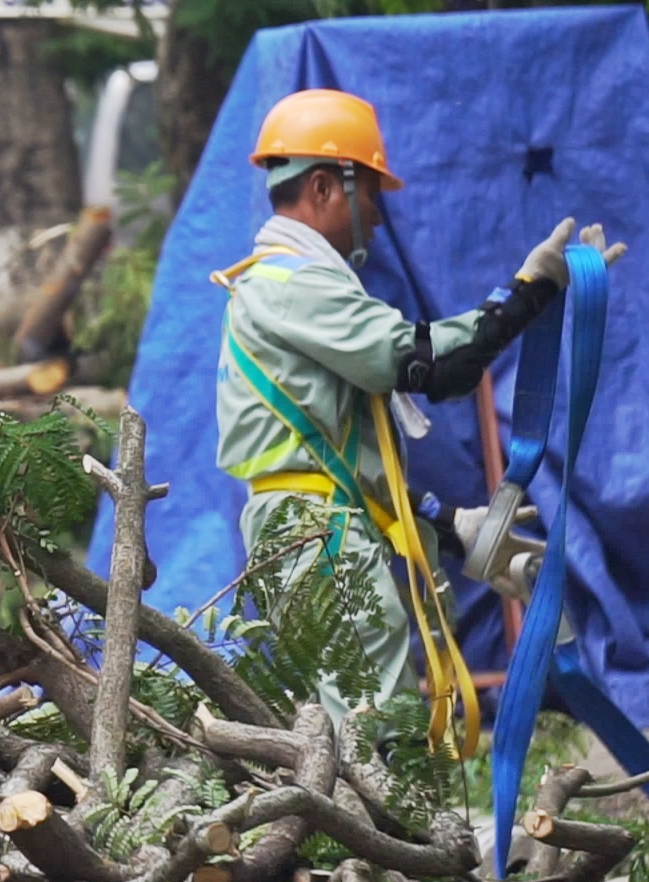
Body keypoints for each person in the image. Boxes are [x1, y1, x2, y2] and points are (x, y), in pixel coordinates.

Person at [211, 88, 624, 749]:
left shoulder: (288, 286)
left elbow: (339, 459)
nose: (377, 217)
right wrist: (525, 296)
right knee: (376, 729)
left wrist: (447, 526)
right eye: (371, 193)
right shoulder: (294, 285)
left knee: (354, 720)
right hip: (317, 537)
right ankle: (396, 850)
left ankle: (371, 845)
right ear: (324, 185)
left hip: (314, 526)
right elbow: (427, 365)